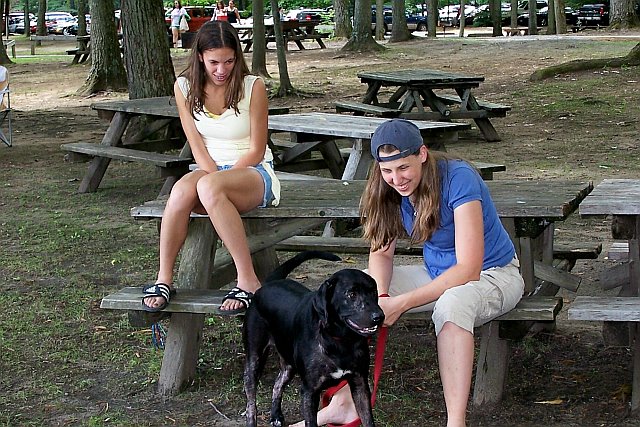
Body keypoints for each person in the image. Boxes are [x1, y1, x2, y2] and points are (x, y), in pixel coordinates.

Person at [290, 119, 525, 427]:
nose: (396, 179)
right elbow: (381, 253)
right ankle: (344, 404)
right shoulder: (385, 186)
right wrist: (381, 297)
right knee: (357, 295)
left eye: (403, 168)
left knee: (452, 305)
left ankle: (456, 422)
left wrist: (400, 303)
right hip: (438, 274)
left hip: (493, 275)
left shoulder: (459, 178)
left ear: (422, 154)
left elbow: (469, 268)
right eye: (387, 170)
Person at [141, 20, 279, 315]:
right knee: (180, 191)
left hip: (252, 170)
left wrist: (216, 183)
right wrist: (212, 181)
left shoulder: (252, 87)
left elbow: (256, 149)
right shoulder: (184, 87)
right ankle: (164, 278)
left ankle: (248, 280)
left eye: (229, 61)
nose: (221, 69)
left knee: (208, 186)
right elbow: (196, 144)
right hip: (208, 168)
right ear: (200, 57)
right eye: (214, 62)